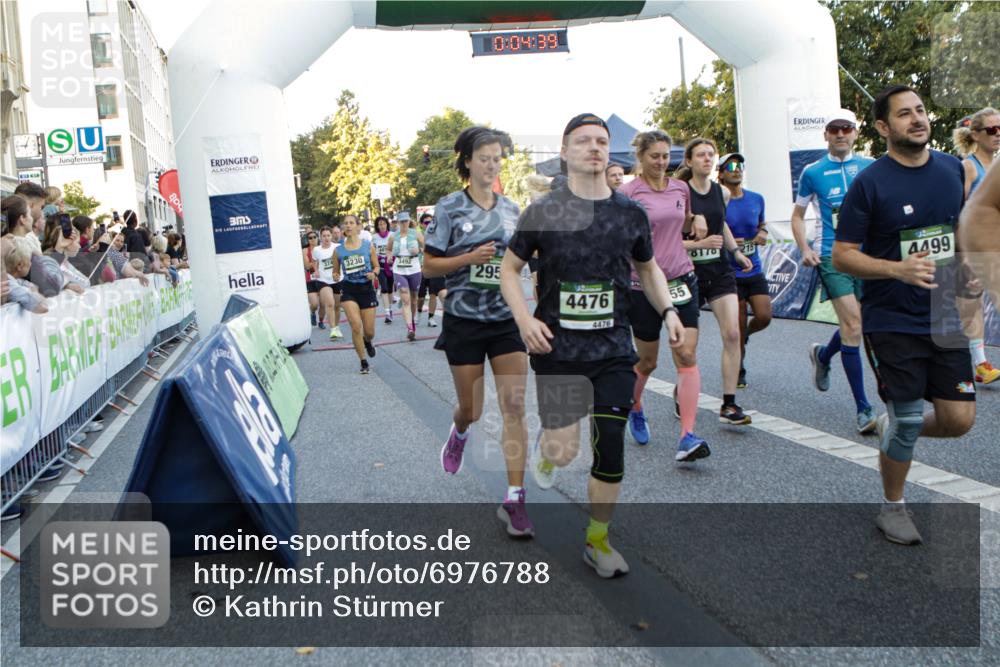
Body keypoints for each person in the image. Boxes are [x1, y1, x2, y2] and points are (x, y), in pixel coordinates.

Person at [500, 113, 685, 577]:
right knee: (564, 451)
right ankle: (548, 447)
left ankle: (597, 541)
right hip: (558, 350)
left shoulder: (630, 213)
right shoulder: (543, 212)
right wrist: (524, 319)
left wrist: (668, 310)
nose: (595, 147)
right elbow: (508, 270)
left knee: (610, 446)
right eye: (583, 141)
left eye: (601, 141)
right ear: (565, 153)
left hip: (613, 349)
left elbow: (647, 268)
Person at [833, 85, 976, 546]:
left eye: (920, 111)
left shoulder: (953, 169)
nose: (917, 119)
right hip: (891, 319)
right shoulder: (870, 183)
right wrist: (897, 268)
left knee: (959, 420)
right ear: (882, 127)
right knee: (911, 418)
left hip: (944, 314)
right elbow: (842, 255)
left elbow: (959, 230)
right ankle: (892, 506)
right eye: (904, 114)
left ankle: (893, 428)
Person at [424, 126, 534, 538]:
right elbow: (429, 266)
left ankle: (515, 498)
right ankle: (460, 432)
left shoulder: (512, 209)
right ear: (467, 161)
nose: (491, 165)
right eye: (484, 158)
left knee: (515, 407)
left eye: (497, 158)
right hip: (464, 320)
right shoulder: (449, 207)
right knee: (471, 409)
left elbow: (524, 260)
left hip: (504, 318)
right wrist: (468, 258)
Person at [618, 129, 712, 460]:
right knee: (648, 361)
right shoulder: (628, 193)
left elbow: (682, 222)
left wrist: (697, 218)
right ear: (641, 157)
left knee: (686, 354)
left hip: (681, 278)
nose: (661, 162)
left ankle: (687, 435)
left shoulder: (680, 188)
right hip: (641, 285)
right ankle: (635, 405)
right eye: (654, 156)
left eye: (665, 156)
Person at [792, 108, 879, 434]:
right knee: (853, 325)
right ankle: (864, 408)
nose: (840, 134)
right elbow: (797, 215)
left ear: (855, 133)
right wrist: (805, 248)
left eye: (846, 128)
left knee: (858, 323)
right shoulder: (813, 171)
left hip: (869, 256)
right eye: (834, 129)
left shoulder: (872, 166)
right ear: (825, 134)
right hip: (833, 256)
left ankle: (824, 355)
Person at [677, 138, 755, 425]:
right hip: (688, 272)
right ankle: (683, 388)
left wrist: (735, 252)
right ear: (689, 161)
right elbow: (669, 235)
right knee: (688, 346)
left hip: (720, 271)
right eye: (701, 155)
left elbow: (721, 223)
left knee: (733, 334)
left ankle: (729, 404)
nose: (707, 159)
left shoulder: (721, 192)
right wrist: (696, 231)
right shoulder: (679, 191)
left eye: (711, 154)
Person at [952, 108, 1000, 384]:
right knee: (970, 305)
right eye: (992, 130)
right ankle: (978, 364)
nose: (997, 134)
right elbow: (958, 212)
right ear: (976, 135)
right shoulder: (968, 167)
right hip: (970, 249)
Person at [719, 153, 772, 389]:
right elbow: (710, 230)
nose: (736, 169)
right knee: (737, 322)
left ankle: (747, 334)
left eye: (739, 165)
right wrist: (730, 243)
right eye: (730, 166)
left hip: (754, 268)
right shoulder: (719, 200)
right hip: (730, 271)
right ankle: (738, 368)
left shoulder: (756, 198)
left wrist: (763, 232)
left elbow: (762, 223)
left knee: (764, 316)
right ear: (721, 173)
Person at [331, 214, 380, 374]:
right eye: (346, 223)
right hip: (349, 290)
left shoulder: (367, 246)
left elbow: (377, 267)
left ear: (358, 226)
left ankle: (367, 341)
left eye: (352, 223)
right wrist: (335, 276)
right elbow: (335, 272)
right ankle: (363, 361)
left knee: (369, 332)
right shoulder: (338, 250)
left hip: (366, 289)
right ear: (343, 228)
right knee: (356, 326)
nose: (348, 225)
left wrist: (374, 274)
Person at [387, 212, 424, 341]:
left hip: (414, 269)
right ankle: (409, 328)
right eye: (401, 221)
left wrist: (419, 251)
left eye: (406, 221)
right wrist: (389, 256)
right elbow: (388, 249)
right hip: (399, 270)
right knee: (405, 299)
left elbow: (425, 247)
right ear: (398, 222)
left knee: (414, 299)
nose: (404, 223)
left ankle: (412, 322)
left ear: (409, 221)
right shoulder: (393, 236)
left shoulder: (416, 234)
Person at [417, 211, 447, 327]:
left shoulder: (438, 236)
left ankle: (431, 318)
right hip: (420, 268)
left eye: (431, 222)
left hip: (434, 268)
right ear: (421, 224)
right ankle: (418, 314)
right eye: (426, 222)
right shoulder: (417, 236)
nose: (429, 224)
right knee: (420, 297)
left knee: (434, 294)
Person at [311, 227, 341, 337]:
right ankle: (332, 330)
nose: (326, 238)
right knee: (330, 303)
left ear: (331, 236)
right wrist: (316, 270)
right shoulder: (316, 250)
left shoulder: (337, 247)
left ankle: (336, 327)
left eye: (328, 235)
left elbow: (343, 260)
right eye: (324, 236)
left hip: (337, 279)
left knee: (337, 306)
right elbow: (314, 261)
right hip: (323, 280)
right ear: (320, 237)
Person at [372, 216, 395, 323]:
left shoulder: (392, 235)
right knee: (384, 288)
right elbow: (372, 251)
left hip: (391, 265)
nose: (382, 226)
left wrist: (391, 257)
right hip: (380, 266)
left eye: (384, 224)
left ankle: (390, 309)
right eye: (380, 224)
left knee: (390, 289)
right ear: (377, 226)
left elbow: (396, 249)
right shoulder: (374, 237)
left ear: (387, 225)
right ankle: (387, 313)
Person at [302, 230, 322, 327]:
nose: (313, 239)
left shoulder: (322, 248)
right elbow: (307, 266)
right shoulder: (305, 251)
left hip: (322, 279)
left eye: (314, 237)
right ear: (307, 240)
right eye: (310, 238)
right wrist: (318, 261)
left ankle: (321, 321)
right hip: (310, 280)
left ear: (318, 238)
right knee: (314, 304)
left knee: (323, 304)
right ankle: (313, 312)